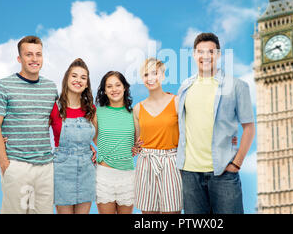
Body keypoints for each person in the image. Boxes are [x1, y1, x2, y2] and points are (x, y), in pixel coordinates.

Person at [176, 32, 256, 214]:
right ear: (194, 55)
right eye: (201, 52)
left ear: (219, 55)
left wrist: (236, 163)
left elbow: (249, 128)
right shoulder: (185, 88)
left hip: (223, 173)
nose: (206, 56)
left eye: (211, 52)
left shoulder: (237, 86)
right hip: (190, 174)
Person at [0, 36, 58, 214]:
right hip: (17, 165)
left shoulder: (51, 88)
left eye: (38, 54)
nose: (34, 59)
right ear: (19, 58)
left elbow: (55, 122)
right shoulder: (2, 86)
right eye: (29, 54)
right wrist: (4, 164)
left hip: (46, 167)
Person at [133, 58, 182, 214]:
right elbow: (136, 142)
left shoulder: (176, 102)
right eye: (146, 74)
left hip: (171, 163)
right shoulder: (137, 109)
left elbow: (189, 133)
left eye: (155, 73)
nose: (150, 78)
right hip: (146, 163)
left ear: (163, 76)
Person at [49, 58, 97, 214]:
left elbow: (99, 139)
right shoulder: (55, 107)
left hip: (87, 169)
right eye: (74, 76)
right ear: (67, 79)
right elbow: (38, 132)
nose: (78, 80)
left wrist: (96, 150)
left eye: (83, 78)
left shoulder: (91, 109)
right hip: (62, 169)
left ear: (87, 83)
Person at [94, 71, 136, 214]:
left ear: (125, 87)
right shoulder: (98, 112)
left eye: (118, 85)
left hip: (128, 176)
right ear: (104, 91)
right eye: (109, 86)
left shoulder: (134, 112)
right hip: (104, 175)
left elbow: (138, 141)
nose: (114, 89)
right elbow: (93, 137)